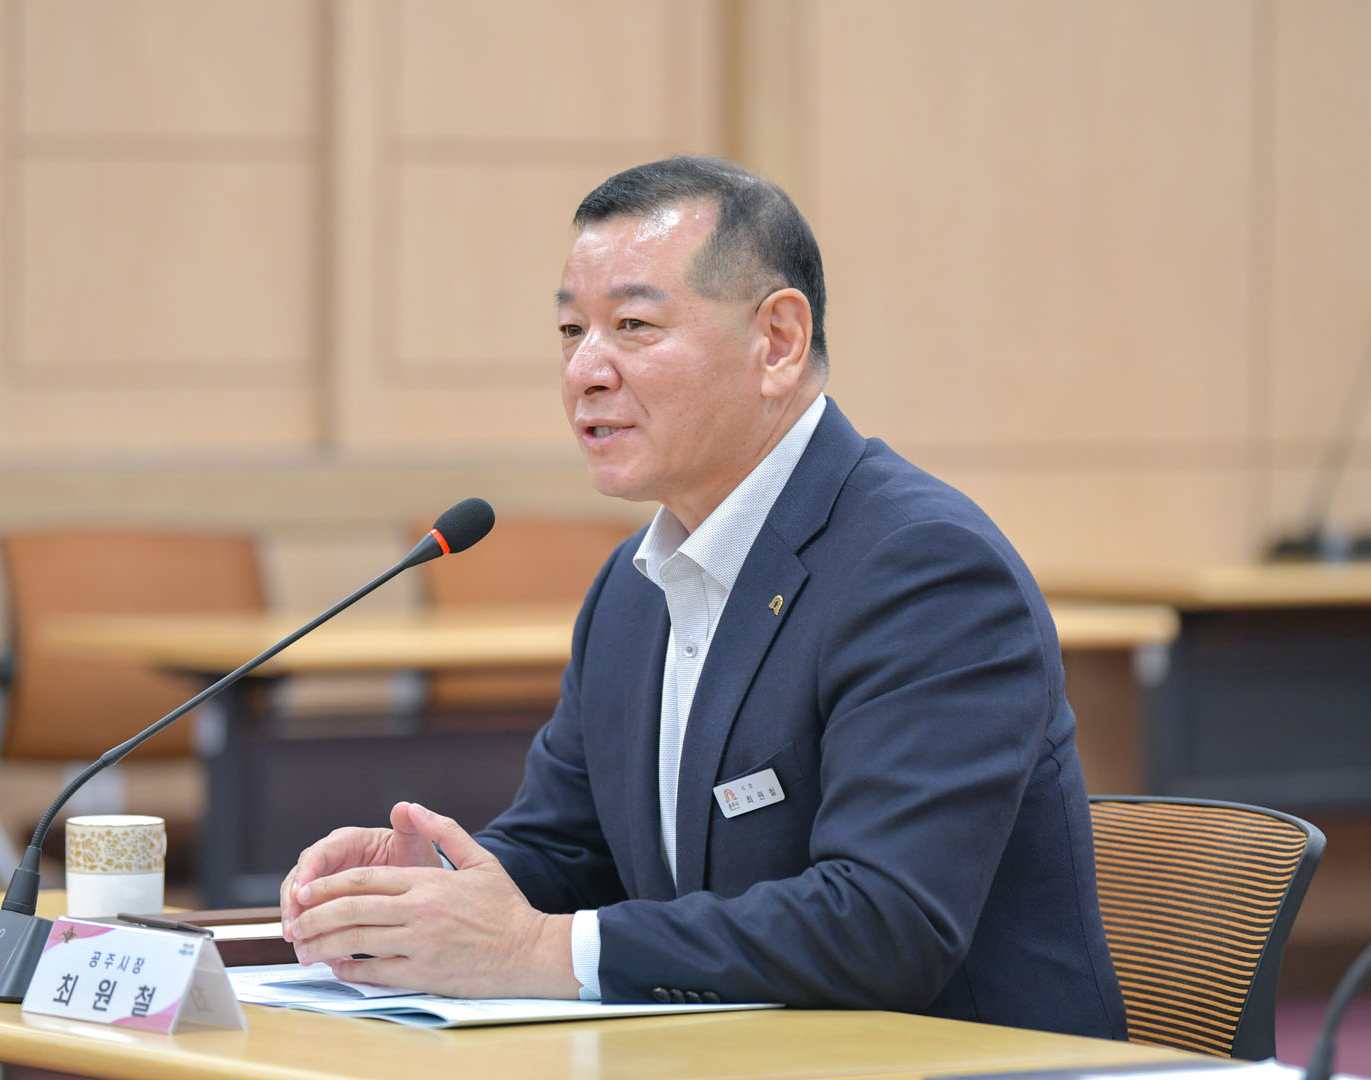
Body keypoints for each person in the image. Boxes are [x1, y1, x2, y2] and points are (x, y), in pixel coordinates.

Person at [280, 156, 1126, 1037]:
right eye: (571, 330)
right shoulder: (631, 589)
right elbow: (572, 850)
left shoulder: (925, 569)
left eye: (633, 326)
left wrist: (534, 949)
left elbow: (885, 924)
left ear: (778, 342)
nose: (585, 371)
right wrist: (433, 890)